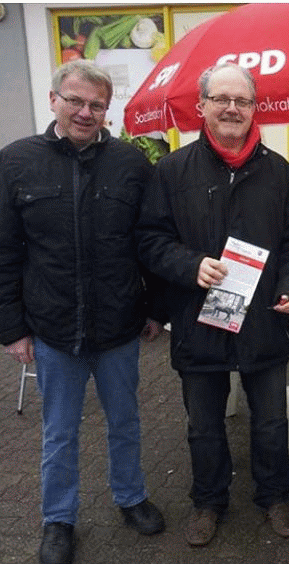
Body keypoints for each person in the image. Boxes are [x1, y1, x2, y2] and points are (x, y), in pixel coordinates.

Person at [136, 63, 289, 546]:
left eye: (242, 100)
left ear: (255, 108)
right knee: (204, 426)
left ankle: (275, 496)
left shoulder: (280, 174)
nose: (232, 108)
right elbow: (149, 239)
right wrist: (189, 265)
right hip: (197, 318)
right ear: (202, 106)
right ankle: (209, 501)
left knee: (271, 422)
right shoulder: (172, 171)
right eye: (221, 99)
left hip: (263, 320)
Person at [0, 60, 165, 564]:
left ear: (107, 110)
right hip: (53, 328)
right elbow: (4, 251)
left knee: (125, 421)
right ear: (54, 100)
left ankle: (130, 497)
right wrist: (12, 329)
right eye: (75, 100)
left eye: (97, 104)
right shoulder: (15, 162)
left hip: (118, 324)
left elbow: (149, 242)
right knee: (59, 431)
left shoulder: (131, 163)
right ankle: (59, 519)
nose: (85, 112)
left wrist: (155, 309)